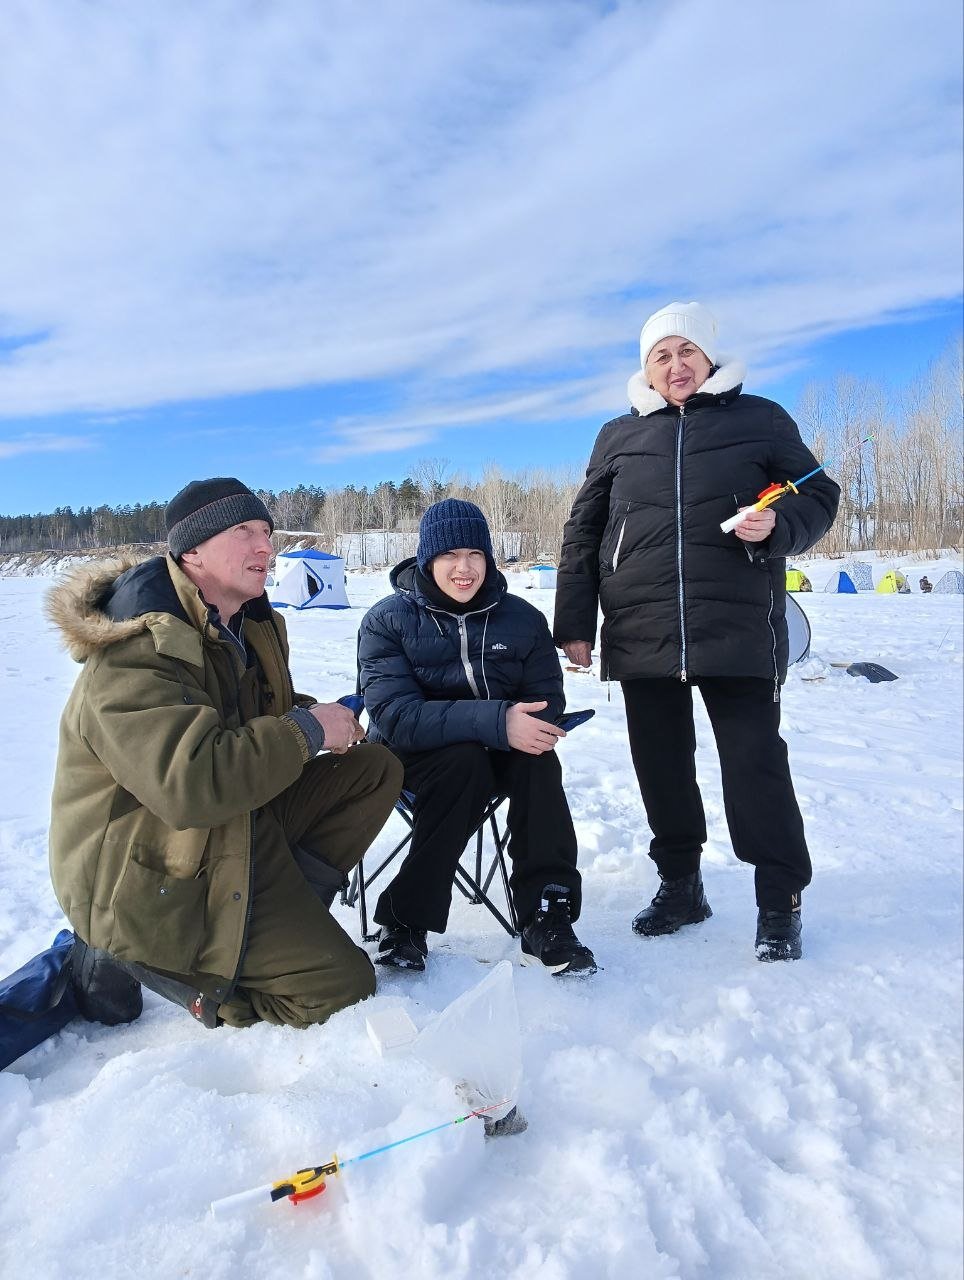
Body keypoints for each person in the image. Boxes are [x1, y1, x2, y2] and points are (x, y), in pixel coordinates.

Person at [46, 477, 402, 1030]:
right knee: (341, 989)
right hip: (154, 865)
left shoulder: (247, 623)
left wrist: (319, 716)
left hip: (236, 829)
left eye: (267, 532)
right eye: (244, 532)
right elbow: (190, 783)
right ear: (193, 551)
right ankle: (199, 981)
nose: (266, 546)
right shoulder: (136, 648)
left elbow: (255, 712)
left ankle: (278, 921)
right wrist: (308, 730)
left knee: (372, 770)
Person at [553, 302, 840, 961]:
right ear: (646, 369)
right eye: (661, 355)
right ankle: (681, 885)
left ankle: (779, 902)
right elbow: (584, 532)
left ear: (709, 357)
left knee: (755, 764)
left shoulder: (760, 418)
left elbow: (817, 494)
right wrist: (575, 622)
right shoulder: (618, 435)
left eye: (687, 351)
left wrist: (779, 526)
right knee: (661, 766)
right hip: (642, 623)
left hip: (737, 623)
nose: (675, 365)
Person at [357, 499, 596, 976]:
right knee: (462, 762)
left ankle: (547, 914)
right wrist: (496, 722)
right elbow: (396, 715)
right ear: (427, 560)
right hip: (412, 756)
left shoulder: (522, 619)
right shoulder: (387, 620)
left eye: (475, 555)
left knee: (538, 761)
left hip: (502, 749)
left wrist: (526, 725)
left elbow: (546, 697)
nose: (463, 569)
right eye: (449, 555)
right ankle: (405, 920)